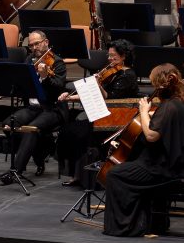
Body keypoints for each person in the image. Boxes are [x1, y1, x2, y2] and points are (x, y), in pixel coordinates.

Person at [103, 63, 184, 237]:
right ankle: (154, 222)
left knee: (115, 174)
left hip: (161, 168)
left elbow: (151, 136)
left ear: (161, 85)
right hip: (178, 165)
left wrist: (144, 112)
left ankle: (127, 225)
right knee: (128, 168)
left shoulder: (169, 107)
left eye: (154, 84)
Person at [57, 39, 140, 185]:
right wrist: (69, 97)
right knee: (68, 131)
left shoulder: (128, 75)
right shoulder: (111, 72)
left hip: (116, 117)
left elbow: (110, 98)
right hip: (103, 113)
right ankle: (77, 174)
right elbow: (91, 92)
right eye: (109, 55)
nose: (109, 59)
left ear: (123, 56)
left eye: (113, 56)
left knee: (78, 133)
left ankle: (88, 177)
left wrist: (98, 85)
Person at [1, 30, 67, 181]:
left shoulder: (57, 62)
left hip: (52, 109)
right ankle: (41, 150)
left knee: (30, 131)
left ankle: (16, 171)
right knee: (7, 124)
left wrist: (45, 77)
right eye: (31, 45)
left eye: (37, 43)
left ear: (46, 42)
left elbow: (58, 87)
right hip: (32, 108)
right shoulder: (29, 60)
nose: (34, 47)